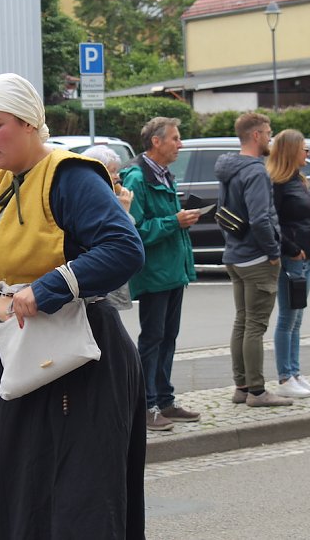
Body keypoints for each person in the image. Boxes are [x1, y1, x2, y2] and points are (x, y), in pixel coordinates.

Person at [0, 73, 146, 539]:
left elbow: (123, 248)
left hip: (80, 359)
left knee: (75, 497)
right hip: (13, 355)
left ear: (30, 123)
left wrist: (46, 288)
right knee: (14, 487)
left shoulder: (70, 176)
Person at [120, 117, 202, 430]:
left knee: (168, 337)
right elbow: (134, 230)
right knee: (152, 339)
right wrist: (174, 222)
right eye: (176, 138)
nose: (180, 145)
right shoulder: (137, 178)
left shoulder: (164, 174)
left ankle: (165, 400)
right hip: (155, 272)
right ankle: (147, 404)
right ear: (157, 141)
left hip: (172, 270)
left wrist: (179, 220)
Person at [214, 112, 292, 407]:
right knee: (255, 325)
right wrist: (273, 252)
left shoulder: (228, 168)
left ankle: (242, 387)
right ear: (256, 135)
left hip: (235, 254)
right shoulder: (256, 171)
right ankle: (257, 392)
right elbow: (260, 218)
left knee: (242, 322)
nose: (271, 137)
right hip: (257, 258)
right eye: (269, 132)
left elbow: (225, 212)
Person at [266, 129, 310, 399]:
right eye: (304, 148)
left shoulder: (298, 179)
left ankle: (296, 372)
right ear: (291, 151)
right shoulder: (277, 183)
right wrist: (291, 248)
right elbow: (273, 222)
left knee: (298, 317)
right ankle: (285, 376)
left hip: (309, 255)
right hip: (293, 257)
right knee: (288, 317)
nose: (307, 153)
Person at [83, 144, 135, 311]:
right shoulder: (91, 199)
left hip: (107, 285)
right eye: (111, 171)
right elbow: (116, 236)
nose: (117, 176)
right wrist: (124, 211)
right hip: (97, 289)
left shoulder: (109, 196)